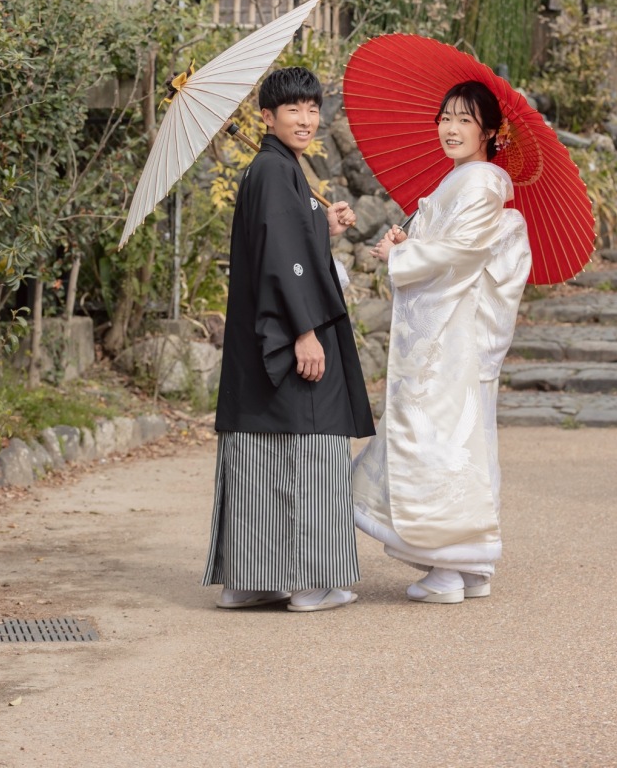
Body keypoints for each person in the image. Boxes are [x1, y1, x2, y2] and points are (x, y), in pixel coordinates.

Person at [203, 67, 376, 613]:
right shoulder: (276, 173)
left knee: (259, 453)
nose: (305, 119)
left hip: (260, 339)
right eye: (292, 110)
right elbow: (282, 260)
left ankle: (250, 578)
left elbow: (286, 241)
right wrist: (305, 332)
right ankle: (312, 581)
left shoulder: (276, 170)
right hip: (286, 331)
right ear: (266, 117)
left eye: (311, 108)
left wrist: (322, 226)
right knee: (313, 447)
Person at [352, 79, 531, 603]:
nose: (450, 128)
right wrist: (411, 242)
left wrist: (401, 258)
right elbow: (450, 245)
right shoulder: (464, 181)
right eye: (445, 117)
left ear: (490, 132)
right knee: (462, 438)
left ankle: (449, 564)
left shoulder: (478, 184)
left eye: (465, 120)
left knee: (442, 439)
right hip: (452, 329)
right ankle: (469, 565)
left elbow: (458, 255)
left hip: (452, 334)